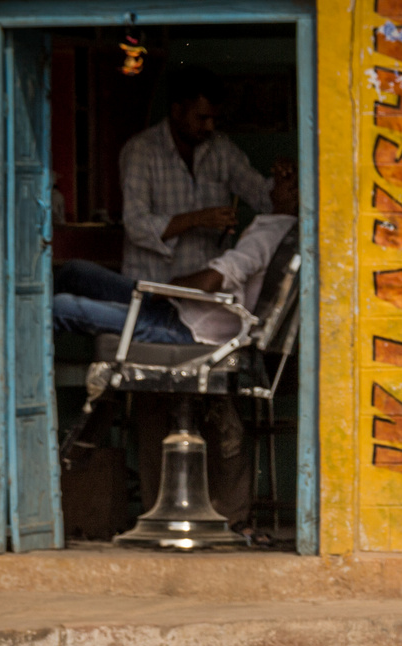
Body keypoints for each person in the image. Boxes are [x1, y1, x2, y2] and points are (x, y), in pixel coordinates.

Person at [53, 169, 298, 542]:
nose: (275, 180)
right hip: (185, 313)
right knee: (75, 272)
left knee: (61, 307)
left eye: (285, 178)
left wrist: (167, 289)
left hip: (187, 329)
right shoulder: (281, 228)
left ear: (294, 191)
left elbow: (213, 281)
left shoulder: (269, 233)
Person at [120, 64, 274, 284]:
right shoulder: (142, 151)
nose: (210, 127)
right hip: (153, 289)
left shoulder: (221, 149)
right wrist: (197, 219)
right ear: (177, 111)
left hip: (205, 296)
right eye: (202, 118)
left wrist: (286, 185)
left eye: (214, 119)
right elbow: (136, 225)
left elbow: (261, 195)